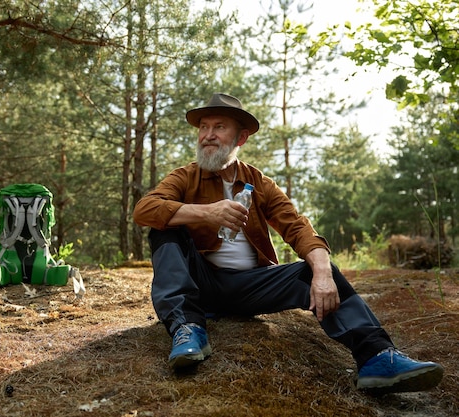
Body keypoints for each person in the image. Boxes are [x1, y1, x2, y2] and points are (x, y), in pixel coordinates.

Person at [133, 93, 443, 394]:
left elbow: (297, 227)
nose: (208, 135)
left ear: (241, 138)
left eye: (219, 127)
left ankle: (376, 358)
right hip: (200, 284)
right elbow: (144, 209)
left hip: (249, 288)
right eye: (203, 127)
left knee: (319, 270)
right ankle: (187, 328)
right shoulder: (185, 177)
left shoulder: (259, 183)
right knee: (164, 225)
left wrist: (322, 274)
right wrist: (206, 213)